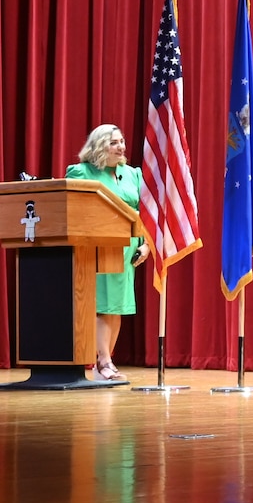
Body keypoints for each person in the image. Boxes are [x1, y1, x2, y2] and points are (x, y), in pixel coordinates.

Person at [66, 124, 150, 381]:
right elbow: (75, 209)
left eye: (122, 141)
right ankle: (103, 361)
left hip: (128, 249)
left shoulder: (132, 173)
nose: (121, 146)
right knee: (103, 305)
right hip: (99, 247)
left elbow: (143, 213)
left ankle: (105, 360)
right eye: (114, 142)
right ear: (99, 145)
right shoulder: (82, 172)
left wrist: (145, 244)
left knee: (117, 307)